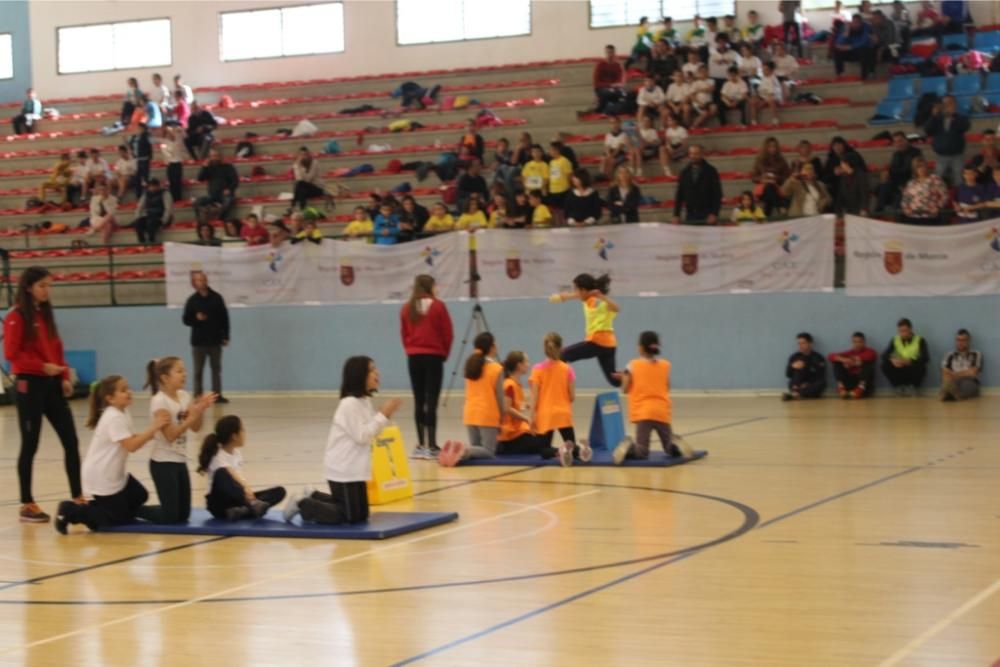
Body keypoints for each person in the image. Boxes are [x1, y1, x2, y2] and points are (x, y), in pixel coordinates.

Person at [3, 267, 82, 523]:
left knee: (70, 440)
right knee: (31, 444)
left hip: (51, 384)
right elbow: (12, 354)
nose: (47, 291)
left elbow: (56, 346)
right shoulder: (16, 316)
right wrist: (41, 367)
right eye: (42, 286)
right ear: (28, 287)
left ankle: (78, 497)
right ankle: (27, 504)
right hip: (29, 385)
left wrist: (63, 376)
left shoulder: (45, 314)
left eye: (49, 286)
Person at [283, 357, 401, 525]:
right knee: (349, 516)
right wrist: (383, 415)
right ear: (360, 375)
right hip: (343, 468)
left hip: (355, 467)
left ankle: (314, 495)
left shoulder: (364, 402)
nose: (377, 373)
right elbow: (362, 436)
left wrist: (382, 416)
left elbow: (370, 432)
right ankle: (302, 503)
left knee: (360, 515)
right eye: (372, 370)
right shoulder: (349, 404)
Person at [53, 375, 171, 534]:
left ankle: (101, 507)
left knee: (139, 495)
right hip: (101, 476)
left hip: (114, 474)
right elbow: (131, 446)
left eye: (127, 388)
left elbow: (129, 439)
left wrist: (152, 435)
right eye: (123, 390)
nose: (128, 392)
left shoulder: (123, 412)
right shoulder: (113, 417)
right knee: (113, 518)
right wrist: (154, 428)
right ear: (110, 398)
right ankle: (70, 510)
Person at [145, 357, 216, 523]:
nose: (184, 374)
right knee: (170, 516)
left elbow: (196, 427)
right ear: (165, 377)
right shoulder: (159, 401)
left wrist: (201, 409)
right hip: (163, 463)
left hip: (179, 461)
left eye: (184, 370)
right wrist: (192, 415)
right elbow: (170, 435)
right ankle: (133, 510)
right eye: (179, 371)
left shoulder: (184, 396)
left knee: (183, 515)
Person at [614, 331, 690, 464]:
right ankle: (675, 445)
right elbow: (667, 387)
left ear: (640, 347)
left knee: (642, 451)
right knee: (667, 448)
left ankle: (628, 447)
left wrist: (624, 377)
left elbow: (624, 389)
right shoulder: (665, 365)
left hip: (644, 414)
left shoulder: (632, 366)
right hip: (662, 412)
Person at [400, 275, 453, 459]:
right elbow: (448, 333)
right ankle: (431, 445)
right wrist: (443, 353)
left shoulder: (407, 308)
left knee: (419, 400)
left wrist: (411, 350)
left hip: (414, 357)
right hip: (433, 356)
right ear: (430, 286)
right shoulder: (438, 306)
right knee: (432, 401)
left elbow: (404, 334)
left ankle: (421, 445)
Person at [197, 415, 286, 520]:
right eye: (242, 430)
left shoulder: (237, 454)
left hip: (237, 500)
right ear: (234, 436)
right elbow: (232, 475)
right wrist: (247, 492)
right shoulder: (217, 455)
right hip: (219, 504)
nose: (245, 434)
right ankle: (251, 507)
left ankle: (244, 510)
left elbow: (239, 479)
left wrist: (248, 494)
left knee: (279, 491)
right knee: (222, 473)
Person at [438, 333, 505, 467]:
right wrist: (502, 417)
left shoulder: (470, 365)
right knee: (488, 451)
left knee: (477, 449)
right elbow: (499, 397)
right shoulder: (496, 369)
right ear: (491, 347)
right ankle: (463, 449)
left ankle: (458, 451)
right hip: (487, 414)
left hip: (470, 413)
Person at [549, 273, 621, 388]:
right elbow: (575, 295)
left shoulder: (598, 302)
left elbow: (617, 308)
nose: (575, 292)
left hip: (596, 342)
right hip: (609, 346)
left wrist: (602, 297)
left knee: (562, 354)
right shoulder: (586, 298)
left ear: (583, 290)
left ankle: (560, 385)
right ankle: (633, 374)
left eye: (576, 289)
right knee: (615, 381)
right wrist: (562, 298)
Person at [529, 332, 590, 467]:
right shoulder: (567, 369)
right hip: (563, 413)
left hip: (545, 415)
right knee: (572, 447)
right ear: (561, 348)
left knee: (544, 451)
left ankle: (559, 451)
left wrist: (531, 416)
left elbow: (534, 397)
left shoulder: (537, 370)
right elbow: (572, 396)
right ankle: (582, 450)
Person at [493, 351, 559, 459]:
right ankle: (562, 452)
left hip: (518, 433)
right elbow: (506, 408)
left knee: (544, 440)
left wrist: (527, 405)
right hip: (511, 436)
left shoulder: (515, 384)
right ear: (519, 365)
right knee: (542, 445)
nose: (528, 364)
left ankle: (561, 452)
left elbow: (516, 406)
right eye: (526, 362)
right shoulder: (509, 385)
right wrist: (526, 419)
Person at [182, 271, 230, 403]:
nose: (201, 282)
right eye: (198, 280)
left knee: (216, 370)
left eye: (203, 279)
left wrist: (226, 336)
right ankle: (198, 396)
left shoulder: (217, 298)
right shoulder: (192, 301)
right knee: (198, 371)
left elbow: (224, 318)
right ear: (194, 283)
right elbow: (185, 320)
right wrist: (196, 319)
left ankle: (217, 395)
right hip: (199, 342)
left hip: (215, 340)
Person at [924, 95, 970, 187]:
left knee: (958, 180)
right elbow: (927, 130)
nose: (947, 105)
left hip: (957, 156)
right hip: (941, 156)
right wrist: (933, 116)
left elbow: (965, 127)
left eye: (950, 103)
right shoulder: (937, 118)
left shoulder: (961, 118)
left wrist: (953, 115)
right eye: (945, 103)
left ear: (955, 104)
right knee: (938, 181)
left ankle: (959, 199)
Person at [673, 144, 722, 225]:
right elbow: (679, 195)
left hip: (707, 215)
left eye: (696, 153)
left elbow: (717, 194)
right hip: (690, 215)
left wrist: (714, 213)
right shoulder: (684, 173)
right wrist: (676, 214)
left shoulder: (711, 171)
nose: (693, 156)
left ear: (702, 154)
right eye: (691, 153)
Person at [881, 317, 930, 396]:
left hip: (912, 369)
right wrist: (893, 360)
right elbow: (884, 355)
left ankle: (913, 387)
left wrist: (910, 361)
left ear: (910, 329)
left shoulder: (920, 340)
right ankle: (898, 387)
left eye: (905, 331)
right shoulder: (895, 340)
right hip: (900, 368)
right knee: (884, 364)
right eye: (900, 331)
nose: (902, 333)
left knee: (922, 366)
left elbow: (926, 358)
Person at [876, 132, 922, 212]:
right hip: (897, 183)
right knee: (883, 186)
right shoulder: (896, 154)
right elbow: (893, 169)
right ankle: (879, 211)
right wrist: (887, 172)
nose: (898, 144)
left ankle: (893, 212)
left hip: (911, 182)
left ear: (906, 140)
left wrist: (891, 172)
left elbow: (908, 170)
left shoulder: (915, 152)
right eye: (896, 142)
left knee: (896, 193)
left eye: (900, 141)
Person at [824, 137, 869, 216]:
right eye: (835, 145)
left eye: (843, 164)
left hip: (860, 211)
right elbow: (840, 197)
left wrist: (863, 209)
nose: (841, 166)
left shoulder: (860, 176)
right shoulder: (843, 178)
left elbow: (864, 194)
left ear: (848, 164)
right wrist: (837, 211)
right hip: (849, 211)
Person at [194, 148, 239, 224]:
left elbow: (235, 181)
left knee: (228, 201)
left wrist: (229, 189)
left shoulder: (228, 166)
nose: (214, 158)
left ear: (220, 157)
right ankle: (200, 221)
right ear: (210, 157)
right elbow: (199, 179)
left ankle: (220, 219)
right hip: (212, 195)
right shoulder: (208, 167)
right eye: (212, 156)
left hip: (225, 195)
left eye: (216, 156)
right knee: (197, 202)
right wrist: (204, 167)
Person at [899, 157, 950, 225]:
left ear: (927, 166)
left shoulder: (934, 179)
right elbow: (905, 199)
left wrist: (938, 206)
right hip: (913, 217)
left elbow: (945, 195)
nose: (922, 169)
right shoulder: (911, 182)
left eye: (923, 166)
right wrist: (905, 208)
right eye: (918, 167)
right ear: (915, 169)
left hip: (929, 216)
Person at [828, 332, 877, 399]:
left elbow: (870, 356)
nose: (857, 344)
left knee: (868, 363)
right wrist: (843, 360)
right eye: (855, 342)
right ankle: (841, 388)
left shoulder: (870, 351)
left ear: (864, 342)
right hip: (850, 382)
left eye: (859, 342)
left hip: (864, 385)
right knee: (837, 362)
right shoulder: (849, 353)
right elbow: (830, 356)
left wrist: (853, 362)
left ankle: (860, 389)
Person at [751, 136, 791, 216]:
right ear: (766, 147)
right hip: (763, 189)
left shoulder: (781, 160)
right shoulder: (759, 160)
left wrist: (776, 178)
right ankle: (781, 205)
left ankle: (766, 215)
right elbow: (754, 177)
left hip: (777, 188)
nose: (772, 148)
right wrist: (762, 179)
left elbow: (787, 177)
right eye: (770, 146)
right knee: (769, 188)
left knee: (770, 194)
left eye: (774, 146)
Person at [940, 329, 983, 402]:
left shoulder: (976, 354)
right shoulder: (949, 355)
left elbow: (973, 372)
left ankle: (951, 394)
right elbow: (944, 372)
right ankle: (951, 394)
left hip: (969, 381)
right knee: (948, 382)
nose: (960, 343)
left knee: (966, 385)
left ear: (968, 341)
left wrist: (954, 374)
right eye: (958, 340)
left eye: (963, 340)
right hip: (953, 381)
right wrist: (964, 373)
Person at [783, 332, 827, 401]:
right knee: (799, 366)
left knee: (822, 383)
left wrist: (807, 384)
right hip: (797, 383)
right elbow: (788, 375)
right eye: (799, 343)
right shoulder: (794, 357)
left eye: (803, 343)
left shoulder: (818, 357)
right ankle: (798, 392)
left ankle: (795, 394)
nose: (800, 346)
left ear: (810, 343)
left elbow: (821, 375)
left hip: (811, 384)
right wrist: (792, 366)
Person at [132, 178, 174, 245]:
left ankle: (151, 241)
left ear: (158, 186)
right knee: (138, 223)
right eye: (151, 186)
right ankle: (142, 242)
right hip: (150, 216)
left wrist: (163, 221)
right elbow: (139, 207)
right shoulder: (146, 194)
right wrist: (137, 217)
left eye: (154, 186)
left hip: (160, 216)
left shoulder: (165, 193)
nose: (152, 188)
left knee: (150, 223)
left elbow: (168, 209)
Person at [834, 14, 876, 80]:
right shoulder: (846, 27)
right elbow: (838, 43)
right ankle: (840, 74)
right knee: (837, 51)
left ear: (861, 23)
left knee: (865, 50)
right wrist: (846, 33)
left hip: (862, 51)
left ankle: (865, 76)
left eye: (857, 22)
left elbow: (864, 41)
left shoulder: (866, 27)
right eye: (854, 22)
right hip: (850, 52)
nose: (855, 24)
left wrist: (851, 47)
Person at [592, 45, 626, 114]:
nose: (610, 54)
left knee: (624, 94)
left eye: (611, 52)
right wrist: (610, 85)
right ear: (605, 53)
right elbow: (596, 82)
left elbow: (619, 80)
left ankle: (608, 108)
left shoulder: (617, 65)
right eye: (608, 52)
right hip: (602, 88)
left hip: (613, 89)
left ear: (614, 53)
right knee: (607, 93)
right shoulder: (600, 65)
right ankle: (600, 109)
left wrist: (616, 86)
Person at [752, 60, 783, 126]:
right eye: (763, 69)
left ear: (771, 71)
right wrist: (757, 98)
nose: (763, 71)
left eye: (766, 69)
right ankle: (754, 121)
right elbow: (760, 91)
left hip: (774, 98)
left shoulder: (773, 79)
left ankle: (775, 119)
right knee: (753, 100)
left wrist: (763, 102)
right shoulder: (763, 78)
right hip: (764, 98)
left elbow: (771, 94)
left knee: (770, 100)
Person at [87, 180, 118, 245]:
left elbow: (111, 212)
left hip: (111, 219)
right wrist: (102, 221)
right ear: (98, 190)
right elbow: (93, 213)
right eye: (101, 190)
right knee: (108, 225)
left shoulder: (113, 199)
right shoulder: (94, 199)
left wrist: (105, 201)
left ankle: (95, 228)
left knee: (109, 216)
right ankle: (104, 244)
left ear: (108, 190)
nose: (103, 191)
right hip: (98, 219)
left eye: (104, 189)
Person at [160, 125, 185, 203]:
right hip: (170, 164)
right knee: (172, 182)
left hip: (178, 163)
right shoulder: (164, 143)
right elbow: (167, 154)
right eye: (169, 133)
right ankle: (174, 199)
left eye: (171, 133)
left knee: (178, 182)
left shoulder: (178, 140)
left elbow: (182, 132)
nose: (170, 134)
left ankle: (179, 198)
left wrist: (176, 129)